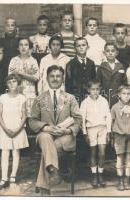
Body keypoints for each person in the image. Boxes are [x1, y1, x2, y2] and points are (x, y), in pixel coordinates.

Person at [29, 65, 82, 195]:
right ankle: (54, 172)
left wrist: (67, 131)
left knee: (47, 150)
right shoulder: (39, 99)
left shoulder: (70, 98)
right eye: (52, 76)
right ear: (47, 78)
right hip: (45, 134)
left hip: (65, 137)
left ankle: (45, 185)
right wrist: (46, 127)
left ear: (63, 79)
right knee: (46, 138)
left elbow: (78, 119)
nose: (55, 78)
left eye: (58, 76)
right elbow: (32, 121)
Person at [0, 74, 29, 190]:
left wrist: (17, 129)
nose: (12, 84)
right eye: (9, 82)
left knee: (16, 152)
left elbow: (24, 116)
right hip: (5, 129)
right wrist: (5, 128)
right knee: (5, 152)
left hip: (18, 128)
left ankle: (13, 176)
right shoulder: (2, 98)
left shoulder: (22, 98)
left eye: (14, 81)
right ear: (6, 84)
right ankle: (4, 178)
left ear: (18, 83)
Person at [80, 79, 111, 188]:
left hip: (103, 129)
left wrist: (108, 132)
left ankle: (101, 174)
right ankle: (94, 175)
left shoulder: (104, 101)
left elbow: (108, 116)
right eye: (93, 89)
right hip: (91, 129)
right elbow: (82, 119)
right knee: (93, 153)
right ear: (88, 90)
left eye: (97, 89)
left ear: (100, 90)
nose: (95, 91)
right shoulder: (85, 103)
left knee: (102, 153)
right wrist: (84, 133)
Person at [110, 85, 130, 191]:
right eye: (124, 94)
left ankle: (127, 180)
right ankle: (120, 180)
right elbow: (111, 122)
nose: (126, 96)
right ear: (119, 95)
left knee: (128, 158)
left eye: (128, 94)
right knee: (119, 158)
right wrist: (112, 137)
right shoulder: (115, 108)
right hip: (119, 135)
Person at [8, 38, 39, 118]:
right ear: (18, 47)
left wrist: (19, 73)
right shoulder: (14, 60)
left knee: (29, 118)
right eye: (21, 45)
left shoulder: (33, 61)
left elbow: (35, 78)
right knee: (17, 117)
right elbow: (11, 78)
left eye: (26, 45)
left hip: (30, 93)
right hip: (17, 93)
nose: (23, 47)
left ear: (29, 47)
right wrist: (29, 75)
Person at [65, 37, 96, 104]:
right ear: (75, 48)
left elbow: (94, 81)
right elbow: (68, 85)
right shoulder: (70, 64)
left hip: (89, 97)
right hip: (76, 98)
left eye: (83, 45)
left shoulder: (91, 63)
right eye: (78, 46)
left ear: (87, 47)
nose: (81, 47)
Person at [96, 43, 126, 107]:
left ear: (116, 53)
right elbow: (98, 83)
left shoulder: (120, 66)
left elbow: (124, 82)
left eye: (112, 51)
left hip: (117, 97)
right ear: (104, 53)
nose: (110, 53)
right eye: (107, 51)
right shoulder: (101, 67)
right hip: (105, 96)